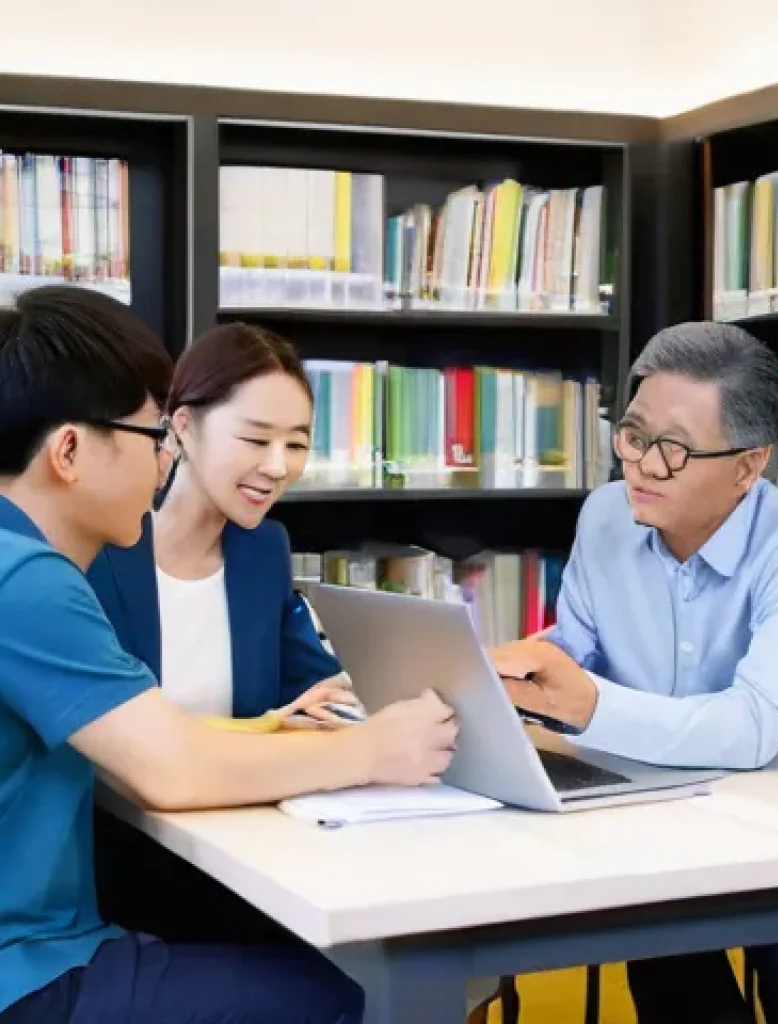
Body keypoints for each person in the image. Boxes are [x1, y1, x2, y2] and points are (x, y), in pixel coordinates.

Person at [0, 285, 458, 1023]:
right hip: (29, 965)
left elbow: (164, 735)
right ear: (70, 450)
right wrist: (372, 749)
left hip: (52, 936)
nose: (161, 468)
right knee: (353, 996)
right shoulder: (30, 579)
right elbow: (170, 765)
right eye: (153, 440)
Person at [490, 321, 778, 1024]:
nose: (641, 466)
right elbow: (578, 649)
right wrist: (505, 674)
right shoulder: (606, 516)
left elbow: (754, 728)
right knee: (653, 928)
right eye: (633, 436)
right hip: (657, 808)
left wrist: (589, 703)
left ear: (748, 467)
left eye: (675, 450)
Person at [86, 321, 355, 723]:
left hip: (251, 784)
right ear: (183, 428)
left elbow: (316, 687)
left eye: (296, 445)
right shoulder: (100, 549)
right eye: (256, 441)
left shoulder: (263, 549)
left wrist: (328, 703)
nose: (278, 467)